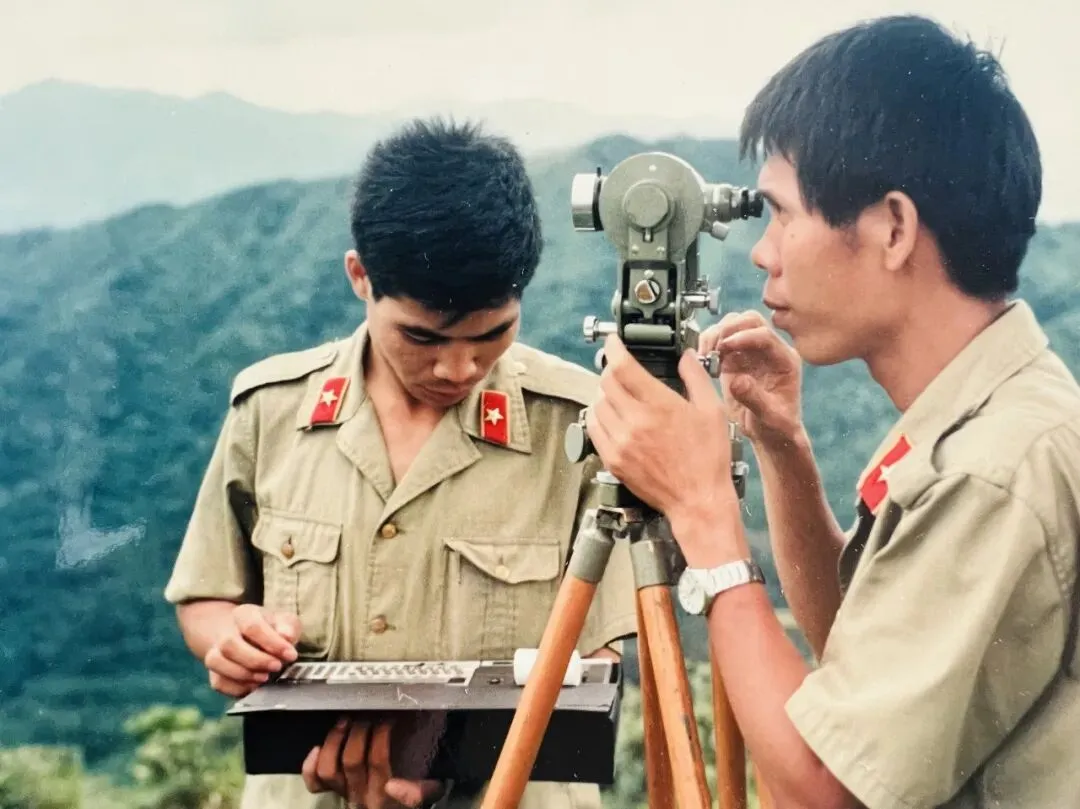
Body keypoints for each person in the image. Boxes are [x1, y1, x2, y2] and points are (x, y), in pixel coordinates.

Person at [584, 13, 1080, 809]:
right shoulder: (989, 414)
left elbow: (830, 787)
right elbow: (861, 660)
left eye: (783, 214)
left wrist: (704, 510)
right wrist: (782, 448)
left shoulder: (994, 469)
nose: (763, 251)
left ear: (893, 228)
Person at [163, 117, 638, 809]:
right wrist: (228, 639)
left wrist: (440, 762)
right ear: (361, 277)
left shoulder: (579, 425)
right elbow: (206, 594)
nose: (458, 368)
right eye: (422, 337)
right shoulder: (270, 411)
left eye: (492, 335)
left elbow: (596, 663)